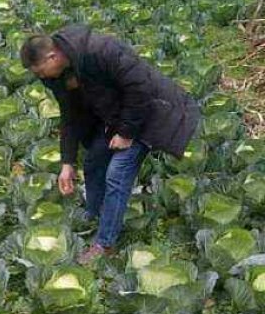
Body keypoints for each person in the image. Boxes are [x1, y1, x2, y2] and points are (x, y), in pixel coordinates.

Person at [20, 24, 201, 264]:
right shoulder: (60, 73)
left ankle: (105, 244)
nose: (42, 78)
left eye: (41, 72)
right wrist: (67, 162)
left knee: (117, 173)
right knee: (94, 160)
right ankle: (94, 214)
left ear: (52, 56)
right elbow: (70, 116)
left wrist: (126, 133)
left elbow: (140, 89)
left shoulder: (100, 50)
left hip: (151, 111)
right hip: (116, 115)